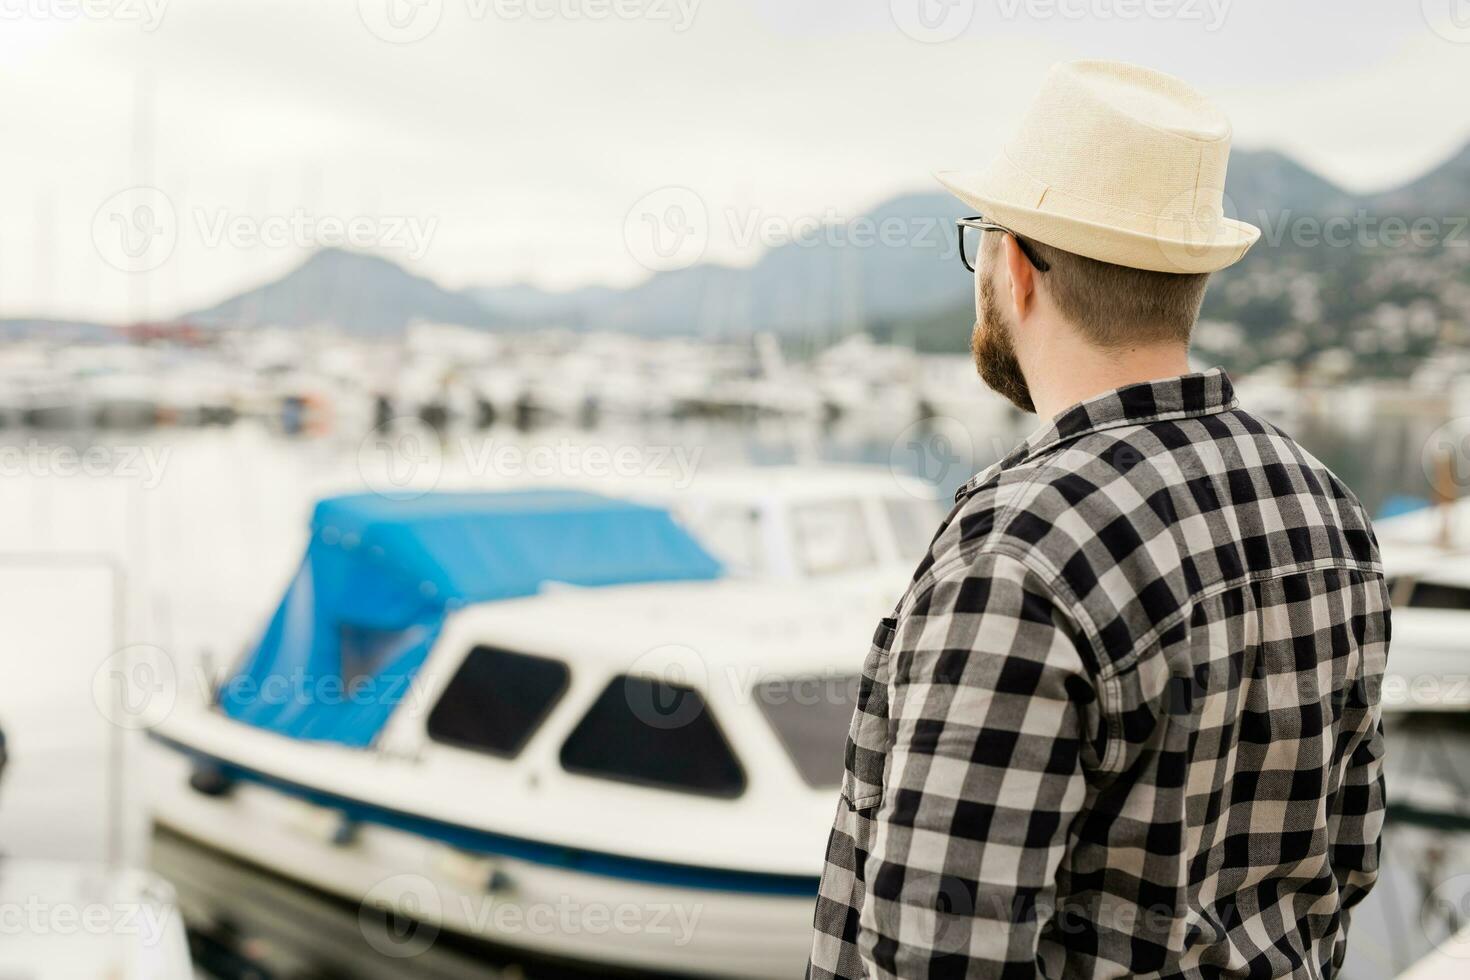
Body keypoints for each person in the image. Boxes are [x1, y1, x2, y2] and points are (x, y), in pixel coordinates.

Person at [809, 60, 1389, 979]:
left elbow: (937, 955)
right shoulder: (1328, 511)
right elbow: (1345, 862)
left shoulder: (1018, 557)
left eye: (983, 238)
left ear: (1016, 265)